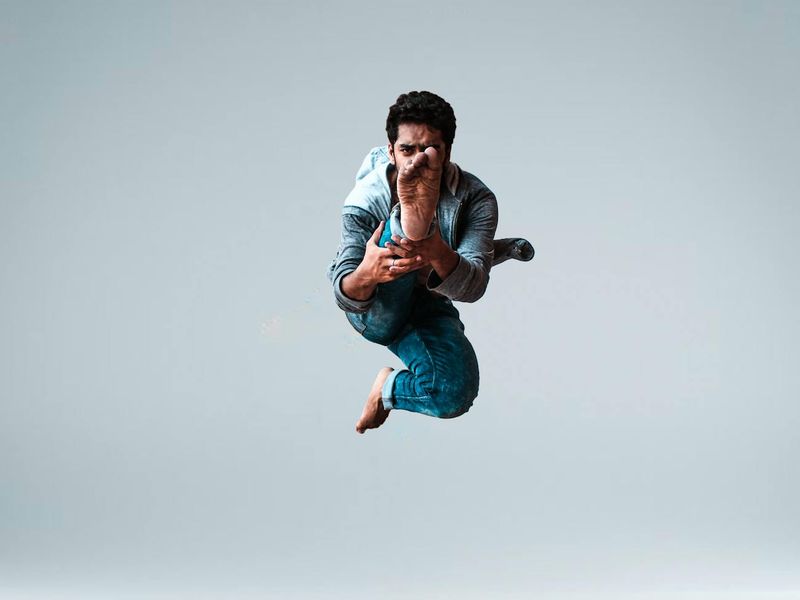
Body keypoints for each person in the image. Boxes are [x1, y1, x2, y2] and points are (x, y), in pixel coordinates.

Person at [327, 91, 533, 434]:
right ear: (391, 150)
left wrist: (434, 248)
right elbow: (343, 288)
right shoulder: (365, 200)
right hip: (377, 307)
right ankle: (410, 219)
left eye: (428, 151)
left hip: (426, 304)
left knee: (453, 394)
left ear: (448, 153)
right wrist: (369, 271)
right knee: (395, 234)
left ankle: (388, 389)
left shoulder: (475, 198)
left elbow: (473, 287)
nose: (415, 162)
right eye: (407, 150)